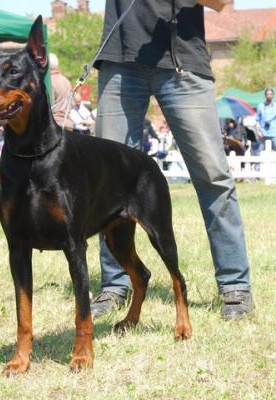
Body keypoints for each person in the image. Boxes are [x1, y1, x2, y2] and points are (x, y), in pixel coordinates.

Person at [91, 0, 253, 320]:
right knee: (108, 181)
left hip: (183, 60)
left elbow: (222, 3)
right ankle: (115, 283)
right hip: (119, 58)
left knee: (213, 176)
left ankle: (235, 284)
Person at [49, 53, 74, 131]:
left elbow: (49, 105)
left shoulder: (50, 82)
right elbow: (72, 103)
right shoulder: (66, 81)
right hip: (68, 124)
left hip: (55, 126)